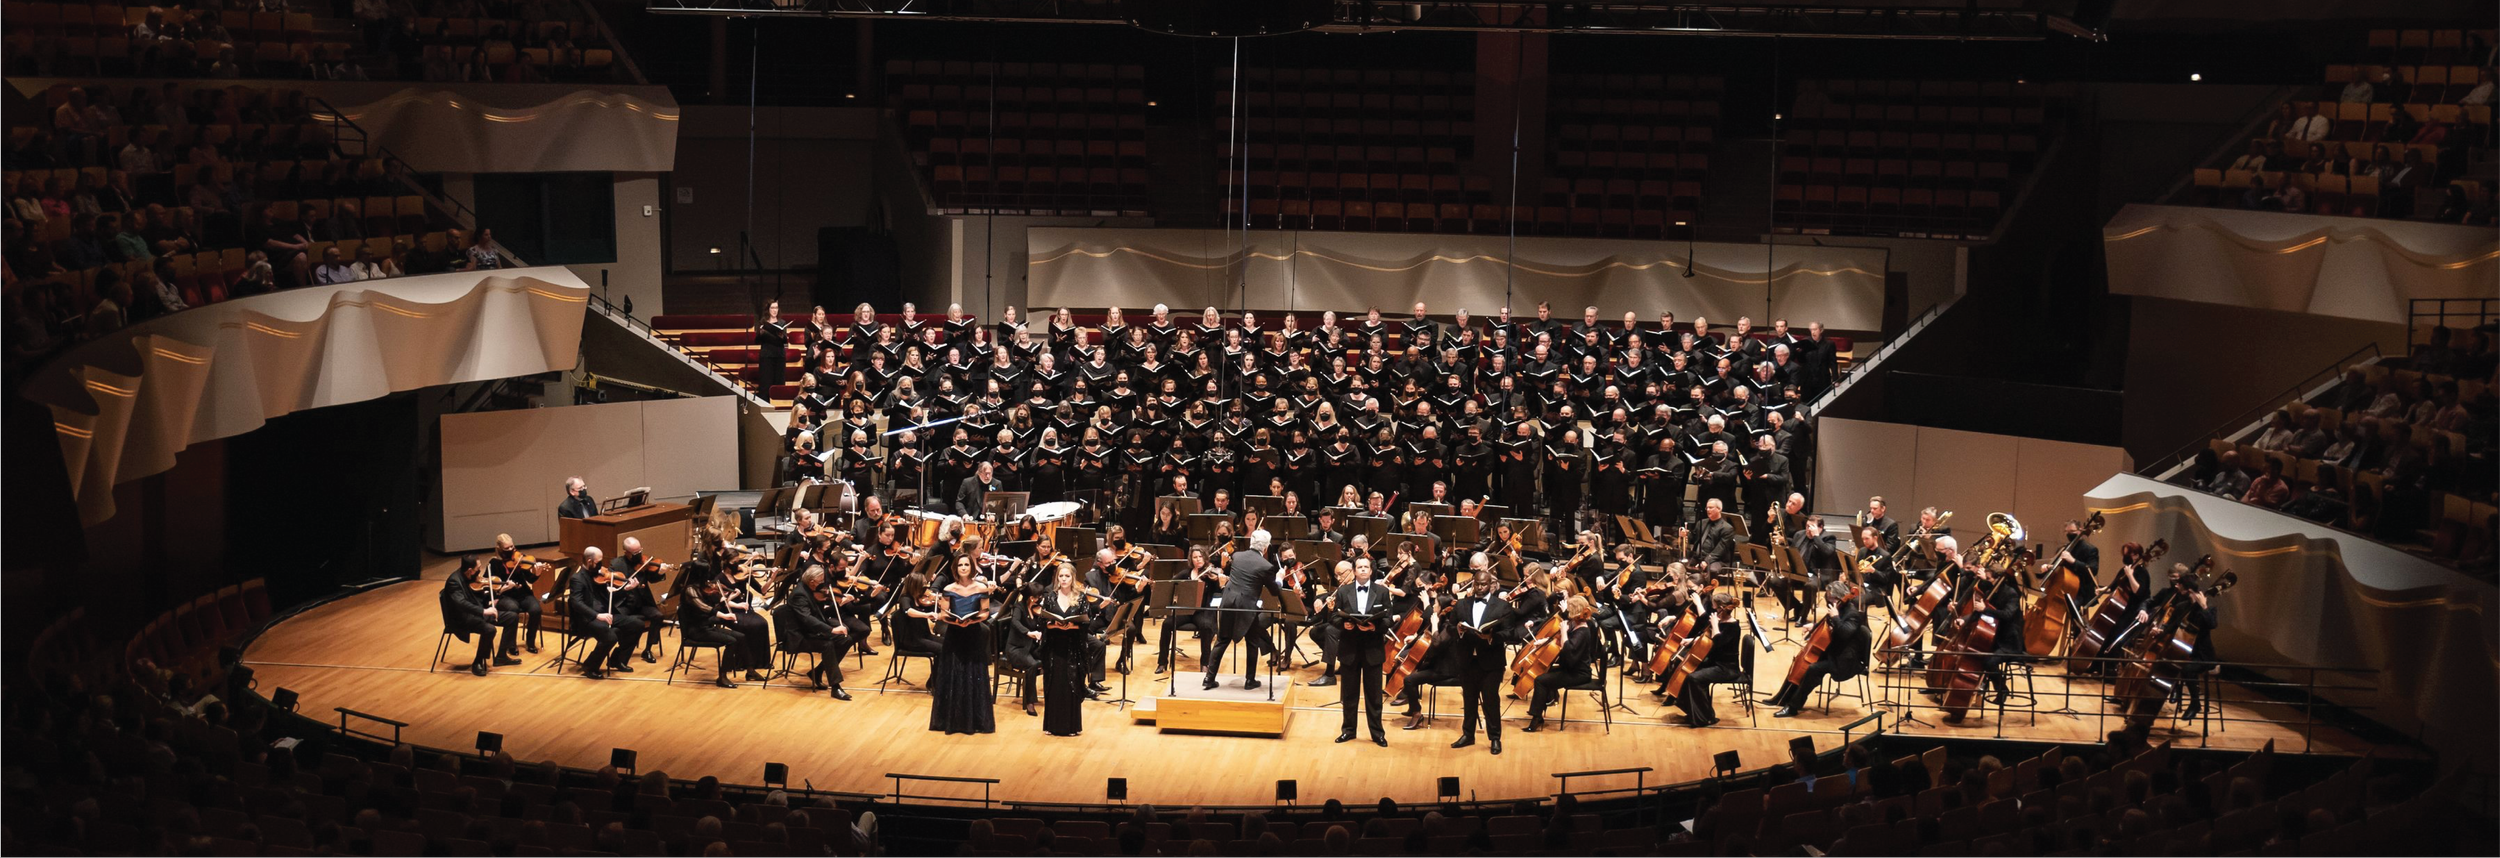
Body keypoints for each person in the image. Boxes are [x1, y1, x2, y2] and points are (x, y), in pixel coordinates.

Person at [1446, 556, 1523, 754]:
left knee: (1490, 699)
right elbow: (1449, 627)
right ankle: (1468, 734)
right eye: (1477, 584)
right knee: (1469, 699)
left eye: (1484, 584)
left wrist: (1491, 636)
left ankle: (1495, 738)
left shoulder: (1502, 606)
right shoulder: (1462, 604)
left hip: (1491, 662)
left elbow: (1511, 633)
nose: (1480, 588)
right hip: (1467, 660)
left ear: (1491, 585)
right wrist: (1460, 630)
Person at [1766, 582, 1869, 717]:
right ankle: (1782, 697)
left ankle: (1793, 707)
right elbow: (1830, 627)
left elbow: (1844, 633)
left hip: (1844, 660)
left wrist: (1835, 617)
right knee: (1800, 662)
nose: (1827, 599)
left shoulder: (1853, 614)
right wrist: (1814, 626)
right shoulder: (1839, 607)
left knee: (1813, 669)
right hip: (1833, 651)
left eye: (1829, 597)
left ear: (1837, 598)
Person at [1203, 530, 1283, 690]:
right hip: (1246, 606)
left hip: (1228, 601)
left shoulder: (1237, 556)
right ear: (1266, 547)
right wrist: (1279, 578)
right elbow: (1275, 591)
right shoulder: (1266, 566)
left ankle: (1208, 679)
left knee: (1222, 640)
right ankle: (1250, 680)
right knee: (1252, 641)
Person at [1032, 565, 1106, 736]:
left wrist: (1072, 625)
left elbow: (1086, 622)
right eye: (1061, 576)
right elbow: (1043, 622)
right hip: (1054, 646)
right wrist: (1053, 624)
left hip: (1073, 647)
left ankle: (1071, 726)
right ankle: (1052, 725)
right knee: (1054, 683)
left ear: (1073, 578)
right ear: (1057, 578)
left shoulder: (1081, 598)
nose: (1064, 579)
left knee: (1071, 683)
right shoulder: (1050, 597)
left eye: (1067, 576)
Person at [928, 555, 996, 734]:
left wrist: (972, 620)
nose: (963, 567)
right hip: (955, 633)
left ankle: (977, 720)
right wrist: (957, 622)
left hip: (973, 633)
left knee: (974, 672)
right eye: (960, 565)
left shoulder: (981, 588)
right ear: (955, 568)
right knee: (953, 672)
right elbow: (943, 614)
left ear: (971, 567)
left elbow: (985, 613)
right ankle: (952, 720)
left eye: (966, 564)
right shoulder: (949, 588)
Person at [1331, 555, 1394, 746]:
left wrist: (1375, 627)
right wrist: (1344, 625)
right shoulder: (1343, 592)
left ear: (1371, 570)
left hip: (1372, 649)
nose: (1363, 570)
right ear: (1354, 571)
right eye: (1360, 567)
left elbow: (1388, 619)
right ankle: (1348, 731)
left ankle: (1377, 734)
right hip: (1350, 649)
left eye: (1366, 567)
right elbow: (1333, 617)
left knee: (1374, 696)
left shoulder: (1382, 592)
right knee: (1349, 694)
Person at [1661, 589, 1743, 728]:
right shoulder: (1720, 620)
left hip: (1726, 668)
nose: (1713, 610)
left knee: (1694, 678)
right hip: (1714, 662)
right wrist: (1692, 640)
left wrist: (1715, 625)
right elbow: (1707, 637)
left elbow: (1718, 641)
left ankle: (1704, 718)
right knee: (1687, 671)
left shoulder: (1733, 626)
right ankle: (1696, 712)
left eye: (1714, 608)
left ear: (1721, 609)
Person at [773, 566, 855, 698]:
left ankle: (817, 672)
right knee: (827, 645)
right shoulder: (799, 595)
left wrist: (837, 602)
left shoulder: (812, 590)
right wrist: (831, 629)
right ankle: (835, 687)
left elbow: (820, 615)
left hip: (811, 632)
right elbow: (807, 619)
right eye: (821, 580)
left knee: (846, 639)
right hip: (799, 636)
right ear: (811, 582)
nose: (824, 583)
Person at [564, 547, 644, 679]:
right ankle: (590, 666)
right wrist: (596, 615)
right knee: (611, 636)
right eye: (599, 562)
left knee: (637, 624)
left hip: (606, 614)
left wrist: (626, 588)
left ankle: (617, 660)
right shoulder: (577, 579)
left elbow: (610, 596)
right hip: (588, 619)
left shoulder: (599, 575)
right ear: (590, 561)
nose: (601, 566)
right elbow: (576, 603)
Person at [1523, 596, 1599, 732]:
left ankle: (1536, 718)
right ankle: (1539, 712)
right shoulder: (1576, 626)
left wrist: (1564, 632)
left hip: (1579, 674)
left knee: (1541, 680)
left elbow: (1568, 652)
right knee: (1543, 674)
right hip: (1571, 669)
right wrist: (1545, 641)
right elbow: (1559, 640)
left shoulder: (1583, 632)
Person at [439, 556, 521, 676]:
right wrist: (484, 611)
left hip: (476, 614)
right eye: (478, 568)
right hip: (463, 618)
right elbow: (462, 604)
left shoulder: (472, 578)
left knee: (512, 617)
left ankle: (501, 657)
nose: (479, 571)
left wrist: (499, 591)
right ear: (470, 570)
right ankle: (478, 662)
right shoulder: (454, 581)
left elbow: (480, 596)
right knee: (489, 629)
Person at [756, 299, 790, 391]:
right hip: (766, 355)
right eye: (772, 308)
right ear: (768, 309)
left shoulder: (782, 322)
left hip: (779, 355)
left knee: (779, 382)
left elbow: (785, 341)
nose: (775, 310)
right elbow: (757, 340)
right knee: (766, 383)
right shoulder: (763, 322)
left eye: (776, 308)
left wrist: (782, 336)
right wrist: (761, 333)